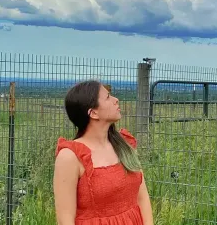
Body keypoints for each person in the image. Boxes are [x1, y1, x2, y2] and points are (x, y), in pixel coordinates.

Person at [53, 80, 154, 225]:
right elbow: (65, 220)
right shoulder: (70, 157)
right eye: (107, 97)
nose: (116, 100)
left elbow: (142, 198)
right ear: (93, 113)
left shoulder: (124, 145)